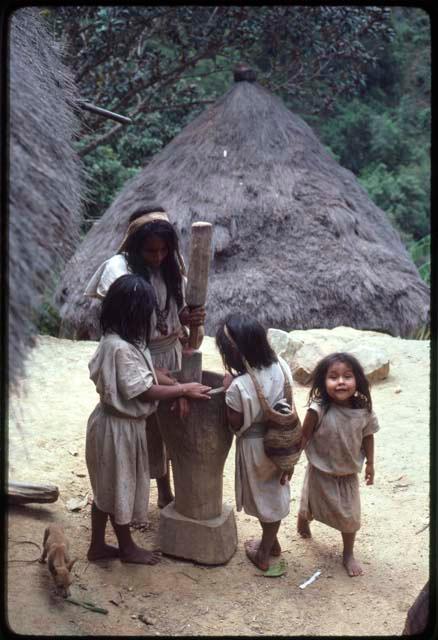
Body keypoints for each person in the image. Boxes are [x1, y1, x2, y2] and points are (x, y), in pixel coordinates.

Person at [85, 204, 205, 509]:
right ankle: (157, 489)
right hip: (141, 353)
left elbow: (175, 312)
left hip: (170, 353)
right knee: (148, 427)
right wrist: (155, 370)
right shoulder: (118, 269)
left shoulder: (170, 267)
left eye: (164, 250)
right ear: (137, 246)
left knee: (172, 424)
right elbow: (119, 315)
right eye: (151, 251)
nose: (158, 257)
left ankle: (173, 489)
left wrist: (189, 319)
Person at [85, 274, 211, 564]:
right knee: (118, 486)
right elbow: (143, 390)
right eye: (146, 312)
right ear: (132, 313)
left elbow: (148, 372)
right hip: (117, 429)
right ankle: (126, 547)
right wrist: (182, 388)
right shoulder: (117, 347)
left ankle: (97, 546)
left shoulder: (127, 340)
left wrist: (172, 381)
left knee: (109, 485)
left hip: (118, 426)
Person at [215, 312, 294, 572]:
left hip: (255, 447)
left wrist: (228, 390)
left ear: (233, 354)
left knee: (264, 499)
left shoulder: (239, 387)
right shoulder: (281, 365)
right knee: (272, 493)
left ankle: (262, 553)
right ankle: (271, 543)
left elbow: (236, 424)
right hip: (281, 441)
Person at [297, 352, 379, 577]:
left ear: (357, 380)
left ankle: (348, 554)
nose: (341, 381)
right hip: (320, 468)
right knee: (311, 499)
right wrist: (290, 462)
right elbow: (303, 437)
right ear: (324, 382)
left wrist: (370, 463)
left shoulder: (363, 410)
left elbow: (368, 435)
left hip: (348, 472)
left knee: (350, 516)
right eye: (333, 377)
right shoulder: (318, 409)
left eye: (347, 376)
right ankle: (303, 520)